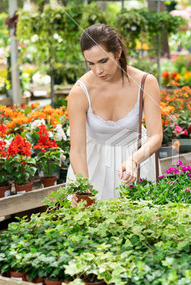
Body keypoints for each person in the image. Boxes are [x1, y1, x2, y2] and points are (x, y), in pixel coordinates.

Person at [66, 24, 162, 204]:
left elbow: (156, 135)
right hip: (92, 167)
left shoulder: (145, 82)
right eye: (91, 64)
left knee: (141, 225)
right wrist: (82, 187)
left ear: (118, 53)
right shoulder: (80, 92)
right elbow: (77, 150)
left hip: (137, 162)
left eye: (103, 61)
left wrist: (135, 160)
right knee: (91, 226)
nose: (97, 71)